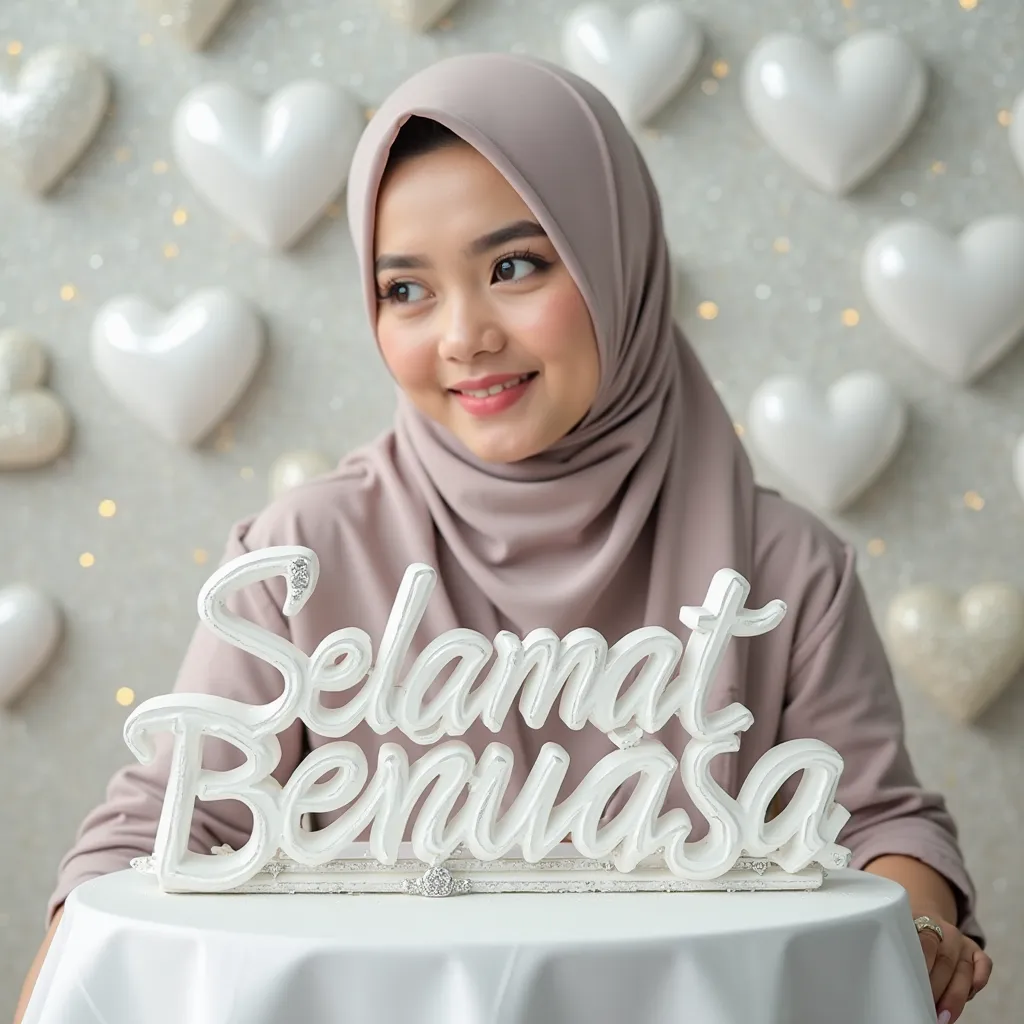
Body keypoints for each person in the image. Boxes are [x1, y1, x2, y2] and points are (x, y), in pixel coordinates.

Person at [16, 52, 992, 1024]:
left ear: (618, 260)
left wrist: (917, 928)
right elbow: (156, 831)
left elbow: (878, 823)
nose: (462, 334)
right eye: (406, 290)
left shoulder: (784, 568)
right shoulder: (299, 559)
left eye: (513, 266)